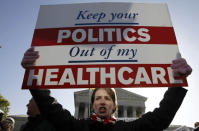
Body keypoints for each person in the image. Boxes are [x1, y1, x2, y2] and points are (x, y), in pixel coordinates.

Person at [21, 47, 192, 131]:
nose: (102, 101)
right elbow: (50, 109)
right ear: (93, 105)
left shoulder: (127, 129)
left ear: (114, 106)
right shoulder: (77, 127)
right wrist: (33, 73)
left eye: (108, 98)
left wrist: (177, 82)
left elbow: (160, 118)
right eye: (97, 98)